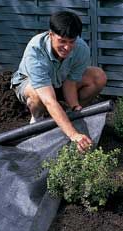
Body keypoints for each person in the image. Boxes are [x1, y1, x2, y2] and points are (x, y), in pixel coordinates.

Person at [11, 11, 107, 152]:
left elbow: (70, 82)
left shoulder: (81, 49)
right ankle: (37, 121)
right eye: (62, 41)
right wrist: (73, 135)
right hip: (31, 85)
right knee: (38, 96)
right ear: (51, 35)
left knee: (98, 76)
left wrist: (75, 107)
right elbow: (49, 99)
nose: (67, 47)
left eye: (71, 42)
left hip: (59, 81)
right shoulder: (36, 51)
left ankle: (69, 118)